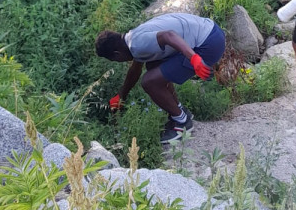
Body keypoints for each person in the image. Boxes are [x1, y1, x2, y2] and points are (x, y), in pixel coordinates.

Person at [95, 13, 226, 144]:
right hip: (212, 31)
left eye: (115, 60)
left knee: (149, 82)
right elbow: (135, 70)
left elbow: (168, 35)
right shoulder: (132, 37)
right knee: (153, 65)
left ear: (117, 54)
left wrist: (194, 58)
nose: (119, 62)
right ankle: (180, 110)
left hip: (207, 45)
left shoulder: (137, 44)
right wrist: (121, 95)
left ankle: (182, 122)